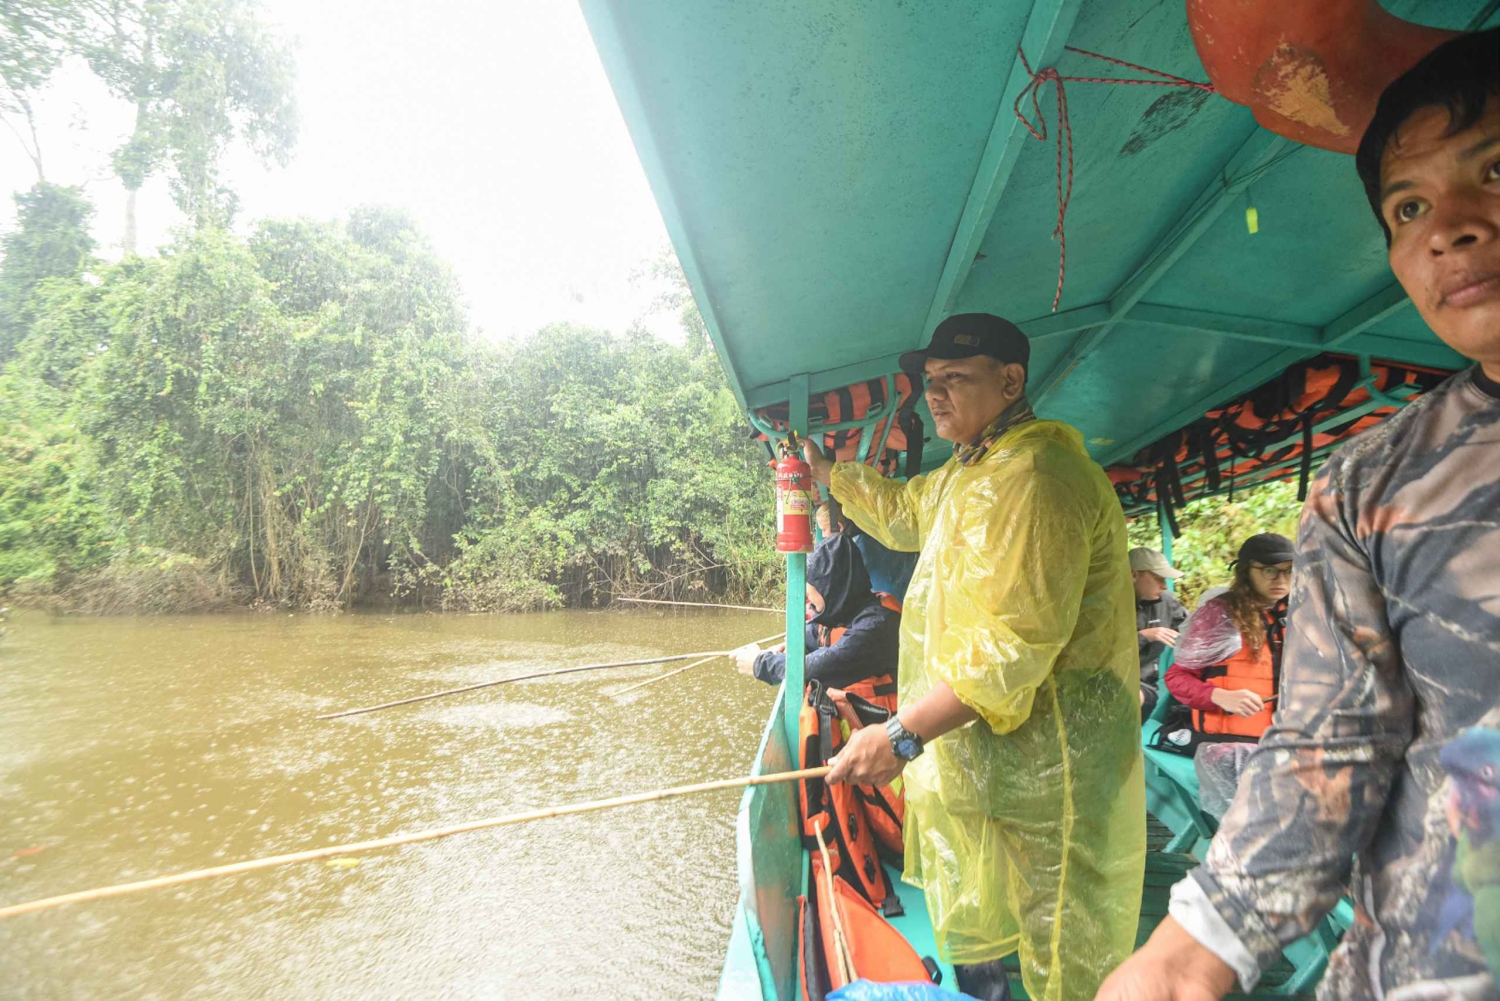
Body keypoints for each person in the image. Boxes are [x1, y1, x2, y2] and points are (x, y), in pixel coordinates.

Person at [1097, 28, 1500, 1001]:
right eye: (1409, 207)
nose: (1447, 228)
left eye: (1493, 172)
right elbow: (1326, 732)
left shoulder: (1261, 609)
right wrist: (1190, 950)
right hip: (1400, 937)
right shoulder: (1367, 489)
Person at [805, 313, 1144, 1001]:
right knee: (990, 914)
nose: (934, 394)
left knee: (1066, 941)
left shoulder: (1039, 477)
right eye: (931, 380)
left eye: (955, 377)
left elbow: (1010, 648)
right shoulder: (970, 472)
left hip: (1057, 758)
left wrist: (901, 733)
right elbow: (902, 510)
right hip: (987, 745)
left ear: (1011, 380)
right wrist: (826, 475)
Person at [1162, 534, 1293, 818]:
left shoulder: (1304, 613)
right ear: (1246, 571)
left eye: (1289, 570)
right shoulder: (1220, 615)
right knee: (1251, 830)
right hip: (1229, 751)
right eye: (1269, 570)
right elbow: (1177, 677)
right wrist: (1219, 696)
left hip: (1291, 746)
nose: (1281, 579)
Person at [730, 533, 900, 690]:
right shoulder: (849, 610)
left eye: (811, 590)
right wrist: (791, 644)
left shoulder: (876, 626)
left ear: (831, 588)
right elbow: (816, 632)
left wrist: (760, 663)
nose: (808, 599)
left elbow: (818, 669)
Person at [1131, 546, 1187, 720]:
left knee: (1129, 698)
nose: (1164, 585)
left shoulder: (1167, 601)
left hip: (1143, 686)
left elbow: (1192, 632)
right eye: (1158, 578)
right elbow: (1103, 653)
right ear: (1133, 575)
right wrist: (1143, 637)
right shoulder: (1109, 604)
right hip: (1105, 680)